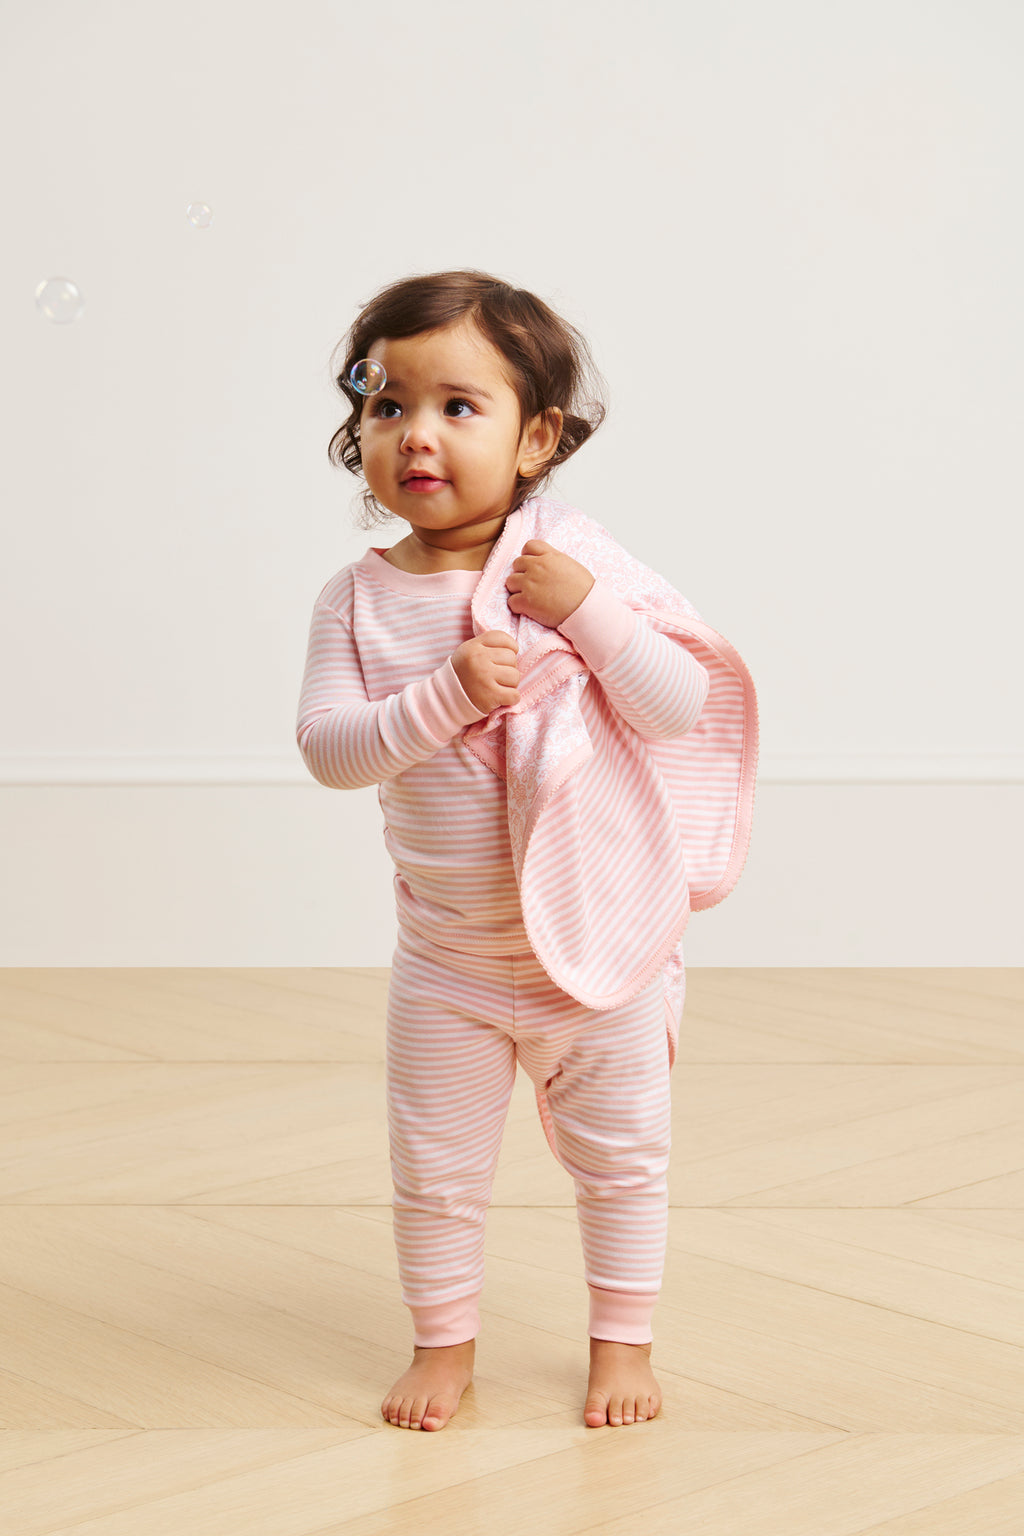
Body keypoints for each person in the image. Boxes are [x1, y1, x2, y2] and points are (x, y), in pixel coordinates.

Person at [296, 269, 757, 1433]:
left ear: (537, 436)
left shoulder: (575, 567)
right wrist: (444, 697)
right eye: (387, 404)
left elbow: (674, 704)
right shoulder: (356, 602)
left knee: (622, 1156)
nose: (416, 435)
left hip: (594, 945)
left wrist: (591, 614)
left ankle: (621, 1342)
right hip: (448, 963)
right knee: (435, 1168)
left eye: (460, 406)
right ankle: (443, 1346)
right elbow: (331, 750)